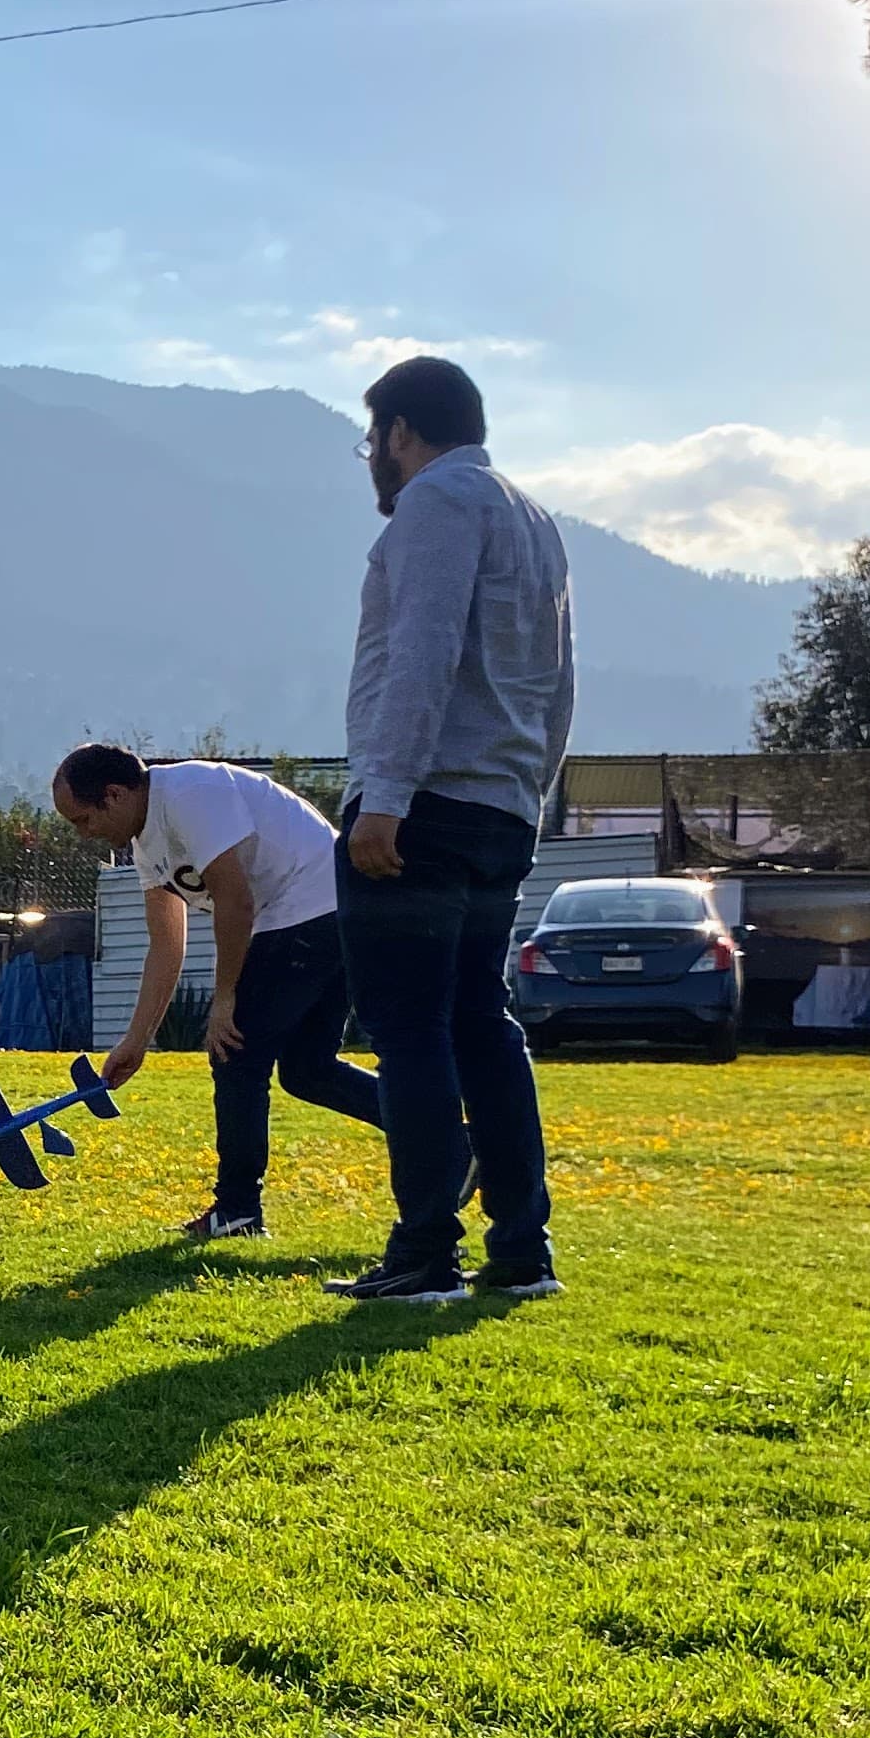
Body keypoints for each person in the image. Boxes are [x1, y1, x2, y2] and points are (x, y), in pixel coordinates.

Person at [332, 355, 574, 1305]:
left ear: (400, 432)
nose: (372, 462)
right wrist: (533, 795)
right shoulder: (534, 517)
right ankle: (520, 1250)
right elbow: (561, 680)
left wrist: (384, 794)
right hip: (502, 807)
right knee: (482, 1023)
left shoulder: (436, 505)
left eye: (373, 442)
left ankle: (426, 1249)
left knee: (410, 1030)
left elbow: (421, 651)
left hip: (423, 803)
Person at [49, 743, 386, 1239]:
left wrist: (224, 1000)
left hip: (314, 910)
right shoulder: (147, 843)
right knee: (308, 1071)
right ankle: (454, 1146)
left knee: (233, 1053)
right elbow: (166, 946)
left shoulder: (191, 794)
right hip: (324, 914)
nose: (83, 834)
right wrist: (135, 1042)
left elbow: (235, 901)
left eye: (81, 819)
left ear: (114, 795)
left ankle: (238, 1210)